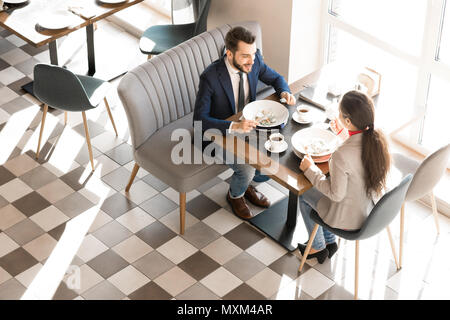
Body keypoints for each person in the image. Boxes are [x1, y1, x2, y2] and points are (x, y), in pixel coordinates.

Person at [193, 26, 296, 220]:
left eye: (254, 54)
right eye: (245, 56)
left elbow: (276, 78)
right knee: (247, 167)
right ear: (229, 54)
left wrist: (284, 92)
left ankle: (246, 184)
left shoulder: (255, 62)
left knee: (279, 154)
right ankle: (236, 195)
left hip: (248, 127)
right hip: (217, 134)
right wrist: (234, 126)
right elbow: (199, 121)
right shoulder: (211, 77)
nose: (251, 61)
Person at [297, 90, 391, 263]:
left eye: (339, 113)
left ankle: (318, 247)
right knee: (321, 190)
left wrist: (310, 169)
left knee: (303, 194)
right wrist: (345, 136)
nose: (337, 116)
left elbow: (335, 194)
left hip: (348, 219)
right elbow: (357, 161)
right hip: (368, 211)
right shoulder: (378, 139)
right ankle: (330, 241)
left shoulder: (341, 155)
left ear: (348, 121)